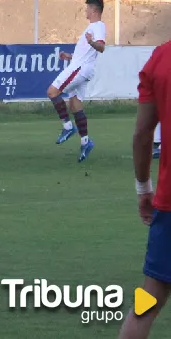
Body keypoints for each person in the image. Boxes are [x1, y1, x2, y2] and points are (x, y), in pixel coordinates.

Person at [117, 41, 170, 339]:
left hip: (169, 203)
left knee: (147, 301)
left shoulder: (161, 58)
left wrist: (143, 187)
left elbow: (142, 133)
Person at [48, 0, 106, 162]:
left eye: (87, 8)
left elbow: (101, 47)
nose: (85, 11)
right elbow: (86, 54)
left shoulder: (98, 26)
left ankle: (67, 127)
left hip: (80, 69)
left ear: (94, 10)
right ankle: (85, 141)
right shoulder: (92, 27)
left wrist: (92, 41)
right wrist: (69, 56)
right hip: (80, 66)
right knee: (75, 105)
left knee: (52, 91)